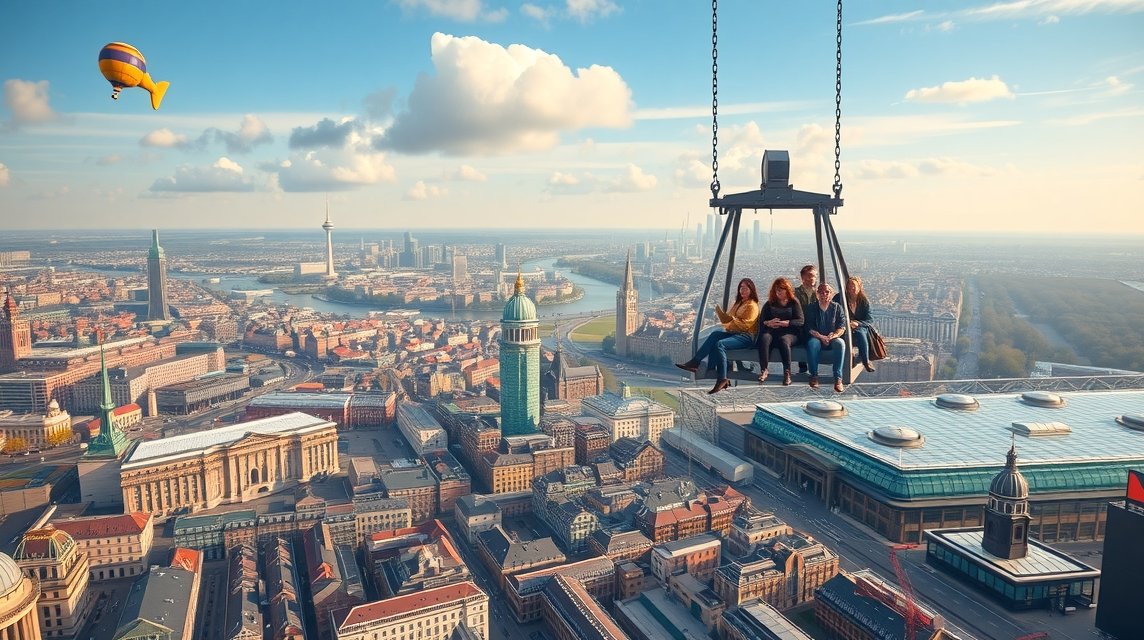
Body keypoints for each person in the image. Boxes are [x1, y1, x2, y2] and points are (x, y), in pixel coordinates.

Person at [676, 278, 760, 394]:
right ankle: (695, 362)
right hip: (735, 333)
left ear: (751, 290)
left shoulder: (752, 306)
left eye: (746, 288)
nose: (742, 290)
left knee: (720, 344)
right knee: (715, 335)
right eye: (741, 287)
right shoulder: (738, 303)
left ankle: (722, 378)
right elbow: (728, 319)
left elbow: (745, 325)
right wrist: (720, 312)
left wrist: (730, 322)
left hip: (746, 336)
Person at [757, 277, 803, 386]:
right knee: (764, 338)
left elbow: (801, 321)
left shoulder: (793, 302)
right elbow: (761, 321)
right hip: (773, 331)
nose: (778, 293)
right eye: (776, 290)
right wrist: (768, 323)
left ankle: (787, 372)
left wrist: (787, 323)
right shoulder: (770, 303)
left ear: (787, 290)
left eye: (781, 290)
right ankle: (764, 369)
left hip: (790, 332)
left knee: (784, 340)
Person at [805, 283, 847, 392]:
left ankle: (838, 378)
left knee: (840, 343)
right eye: (821, 292)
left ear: (831, 294)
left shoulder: (837, 308)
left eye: (827, 292)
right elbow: (808, 326)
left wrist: (834, 335)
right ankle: (814, 375)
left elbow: (842, 326)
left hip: (832, 337)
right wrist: (820, 336)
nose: (824, 294)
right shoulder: (811, 308)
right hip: (817, 336)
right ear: (817, 294)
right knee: (812, 344)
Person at [834, 275, 876, 373]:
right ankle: (851, 358)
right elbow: (833, 312)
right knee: (846, 336)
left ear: (859, 287)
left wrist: (858, 323)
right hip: (844, 326)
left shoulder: (864, 302)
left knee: (860, 333)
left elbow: (869, 320)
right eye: (849, 286)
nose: (851, 288)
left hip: (860, 327)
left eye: (854, 286)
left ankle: (865, 361)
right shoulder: (840, 298)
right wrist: (845, 322)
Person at [793, 264, 817, 375]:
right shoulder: (795, 293)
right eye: (810, 276)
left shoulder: (818, 293)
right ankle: (803, 366)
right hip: (800, 325)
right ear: (803, 278)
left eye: (815, 276)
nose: (813, 278)